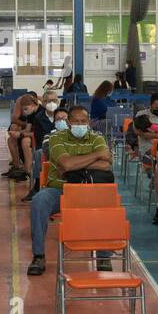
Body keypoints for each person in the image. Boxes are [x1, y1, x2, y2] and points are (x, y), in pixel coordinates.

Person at [27, 105, 111, 277]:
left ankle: (103, 255)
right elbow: (65, 164)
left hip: (88, 191)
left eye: (83, 121)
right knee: (39, 201)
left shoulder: (97, 138)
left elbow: (106, 165)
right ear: (68, 122)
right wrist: (95, 156)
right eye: (75, 121)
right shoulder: (56, 138)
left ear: (88, 122)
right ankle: (39, 256)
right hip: (59, 190)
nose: (80, 124)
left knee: (107, 201)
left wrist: (74, 165)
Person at [23, 105, 70, 203]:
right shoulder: (49, 136)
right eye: (58, 119)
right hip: (55, 166)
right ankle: (37, 185)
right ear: (55, 122)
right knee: (39, 153)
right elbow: (49, 154)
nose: (62, 121)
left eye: (64, 118)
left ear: (69, 120)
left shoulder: (75, 136)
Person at [5, 93, 41, 181]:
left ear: (32, 105)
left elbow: (37, 133)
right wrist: (16, 133)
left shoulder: (40, 114)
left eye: (26, 109)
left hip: (40, 136)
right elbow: (28, 130)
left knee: (25, 141)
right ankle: (17, 166)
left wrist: (20, 134)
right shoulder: (30, 114)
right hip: (33, 134)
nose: (24, 111)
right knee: (11, 140)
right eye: (23, 109)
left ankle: (27, 171)